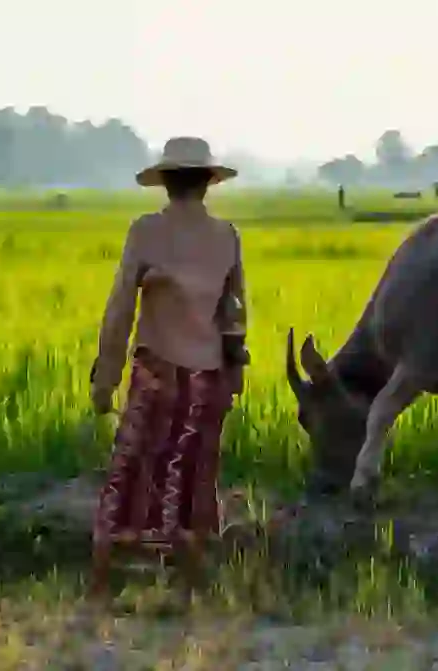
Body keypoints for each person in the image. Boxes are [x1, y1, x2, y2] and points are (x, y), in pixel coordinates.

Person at [87, 136, 248, 597]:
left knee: (133, 473)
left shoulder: (145, 232)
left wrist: (106, 377)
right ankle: (191, 585)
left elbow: (120, 309)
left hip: (157, 375)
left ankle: (102, 586)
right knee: (195, 477)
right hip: (208, 378)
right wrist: (234, 374)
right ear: (206, 183)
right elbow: (234, 314)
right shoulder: (227, 236)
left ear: (166, 183)